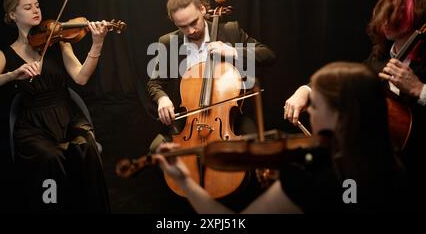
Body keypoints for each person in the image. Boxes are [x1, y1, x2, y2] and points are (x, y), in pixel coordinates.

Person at [156, 62, 405, 213]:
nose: (309, 114)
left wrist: (186, 182)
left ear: (341, 117)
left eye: (314, 106)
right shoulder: (394, 168)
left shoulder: (310, 177)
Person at [284, 0, 425, 209]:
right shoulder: (380, 56)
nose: (385, 23)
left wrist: (419, 89)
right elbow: (350, 81)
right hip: (379, 168)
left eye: (393, 16)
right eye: (383, 15)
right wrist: (306, 90)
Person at [0, 0, 110, 213]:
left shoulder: (58, 40)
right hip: (33, 125)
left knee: (86, 145)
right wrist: (12, 74)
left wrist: (97, 44)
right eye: (28, 7)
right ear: (12, 15)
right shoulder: (5, 54)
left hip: (67, 116)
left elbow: (81, 77)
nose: (36, 10)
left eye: (37, 5)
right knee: (50, 158)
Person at [147, 0, 276, 129]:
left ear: (202, 9)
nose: (190, 31)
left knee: (252, 140)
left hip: (230, 118)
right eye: (182, 27)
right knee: (155, 148)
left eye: (193, 22)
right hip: (189, 123)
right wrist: (162, 99)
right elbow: (154, 84)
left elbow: (268, 55)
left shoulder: (230, 32)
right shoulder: (169, 43)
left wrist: (232, 51)